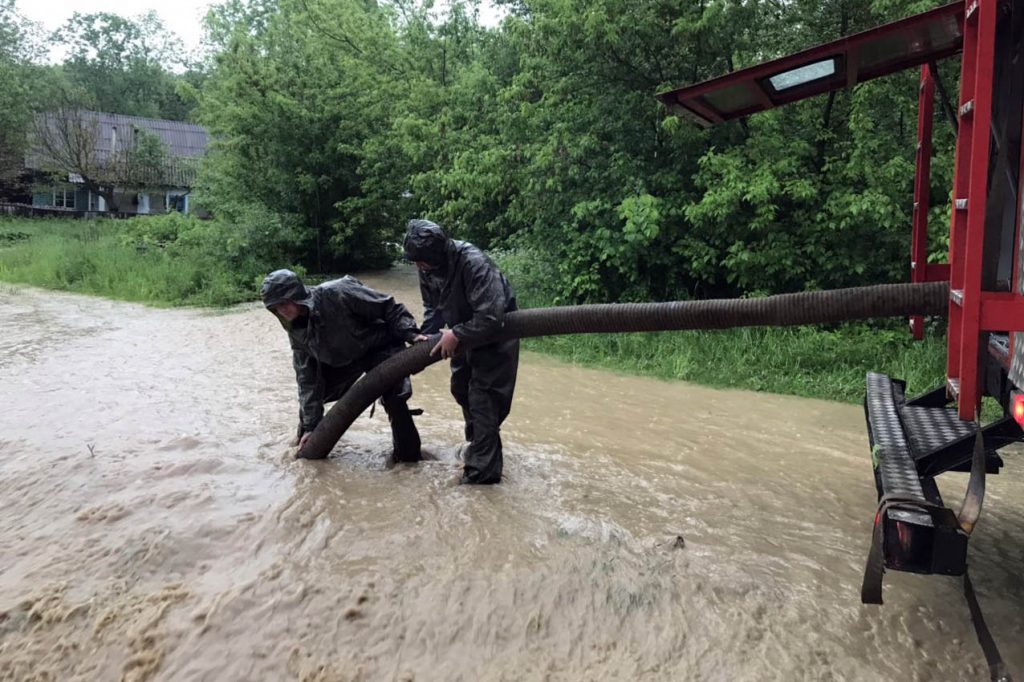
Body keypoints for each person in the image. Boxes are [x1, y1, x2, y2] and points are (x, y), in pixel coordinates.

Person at [260, 269, 422, 461]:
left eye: (285, 302)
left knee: (395, 398)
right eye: (276, 307)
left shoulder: (338, 292)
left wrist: (411, 334)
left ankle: (408, 460)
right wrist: (311, 426)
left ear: (297, 295)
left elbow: (388, 307)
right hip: (343, 359)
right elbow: (307, 379)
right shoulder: (296, 330)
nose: (283, 310)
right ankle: (304, 447)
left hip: (379, 347)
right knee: (311, 401)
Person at [403, 219, 519, 484]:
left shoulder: (473, 263)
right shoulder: (427, 267)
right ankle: (479, 447)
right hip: (461, 335)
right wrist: (424, 335)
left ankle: (483, 475)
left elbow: (492, 316)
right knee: (461, 389)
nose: (418, 267)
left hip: (494, 336)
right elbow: (434, 307)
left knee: (484, 398)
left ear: (437, 254)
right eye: (415, 262)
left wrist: (456, 334)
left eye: (421, 261)